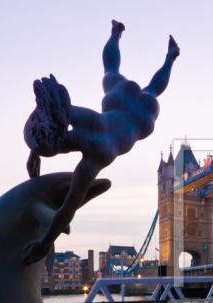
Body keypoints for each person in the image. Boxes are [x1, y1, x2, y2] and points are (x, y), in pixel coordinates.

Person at [22, 20, 179, 264]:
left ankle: (169, 58)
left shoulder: (96, 159)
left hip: (142, 118)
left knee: (151, 91)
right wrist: (33, 148)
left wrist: (44, 244)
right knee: (111, 70)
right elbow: (51, 111)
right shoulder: (84, 118)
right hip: (121, 100)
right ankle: (118, 33)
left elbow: (67, 210)